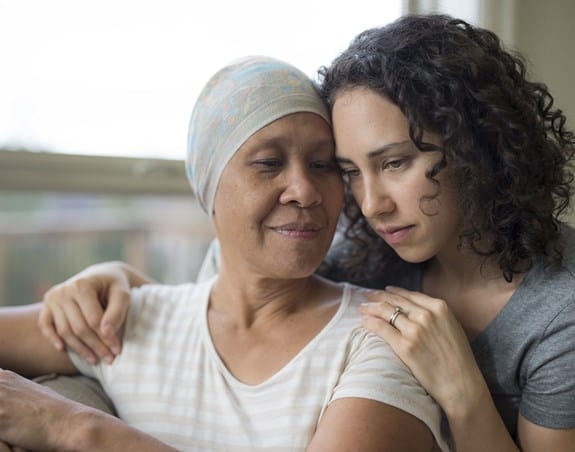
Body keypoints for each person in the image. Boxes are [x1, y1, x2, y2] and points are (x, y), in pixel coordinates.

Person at [39, 14, 575, 452]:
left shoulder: (559, 310)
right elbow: (222, 293)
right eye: (348, 172)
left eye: (394, 163)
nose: (371, 204)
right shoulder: (361, 255)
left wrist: (464, 394)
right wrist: (109, 275)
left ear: (475, 144)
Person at [0, 55, 447, 451]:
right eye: (269, 163)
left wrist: (78, 431)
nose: (305, 191)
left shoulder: (384, 336)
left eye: (323, 165)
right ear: (209, 190)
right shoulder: (125, 324)